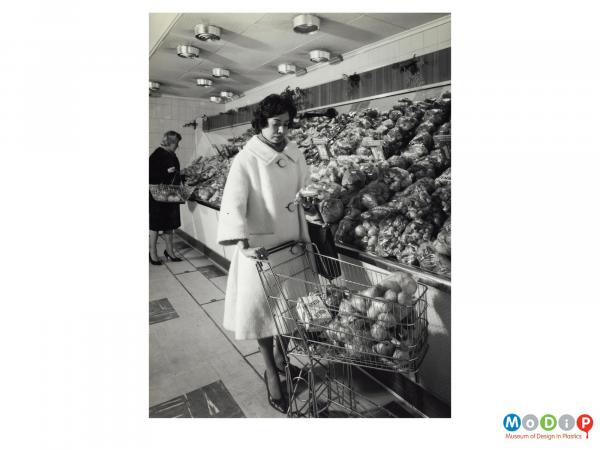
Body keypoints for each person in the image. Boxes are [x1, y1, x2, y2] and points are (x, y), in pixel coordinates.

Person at [216, 94, 310, 414]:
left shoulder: (295, 152)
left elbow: (307, 190)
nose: (282, 130)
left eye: (286, 124)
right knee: (262, 316)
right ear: (261, 124)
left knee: (288, 312)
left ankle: (284, 359)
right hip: (262, 251)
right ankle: (272, 372)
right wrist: (242, 243)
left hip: (292, 243)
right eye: (275, 124)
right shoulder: (246, 158)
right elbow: (232, 202)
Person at [149, 130, 184, 265]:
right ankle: (152, 253)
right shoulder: (157, 155)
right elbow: (150, 176)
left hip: (171, 194)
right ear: (170, 142)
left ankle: (169, 252)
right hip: (157, 195)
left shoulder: (172, 155)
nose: (177, 146)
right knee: (156, 225)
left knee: (170, 225)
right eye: (176, 143)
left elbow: (175, 174)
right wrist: (165, 172)